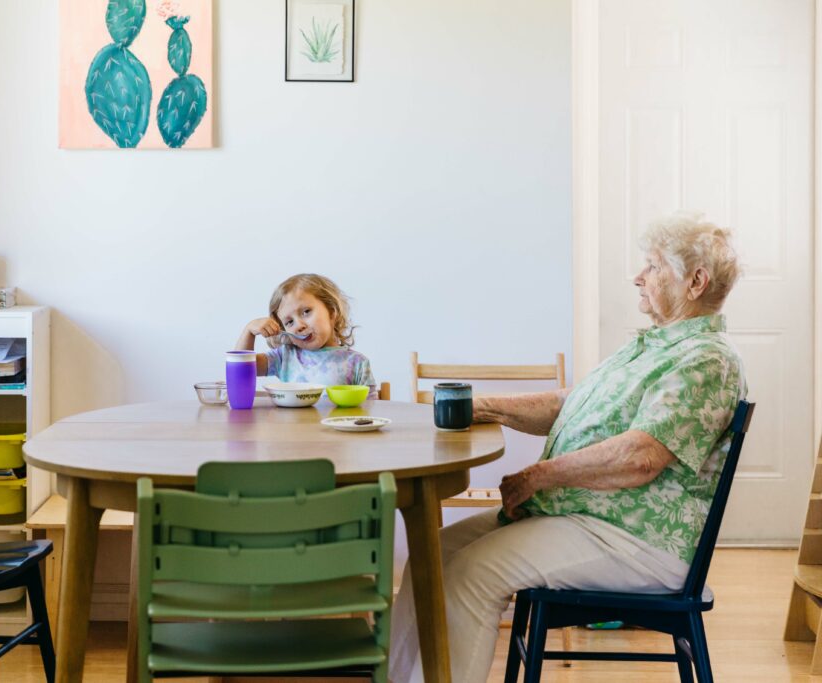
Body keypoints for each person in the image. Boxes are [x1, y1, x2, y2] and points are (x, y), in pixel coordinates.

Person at [390, 211, 748, 682]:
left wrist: (538, 476)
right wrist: (485, 406)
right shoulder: (653, 346)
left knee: (472, 575)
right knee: (431, 554)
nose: (638, 277)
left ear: (695, 282)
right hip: (589, 517)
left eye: (654, 266)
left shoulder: (706, 359)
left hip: (637, 540)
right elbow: (569, 404)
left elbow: (643, 455)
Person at [235, 273, 376, 392]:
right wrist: (248, 331)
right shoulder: (285, 357)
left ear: (332, 312)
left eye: (306, 312)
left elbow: (369, 411)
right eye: (289, 322)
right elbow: (240, 371)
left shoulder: (357, 363)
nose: (299, 326)